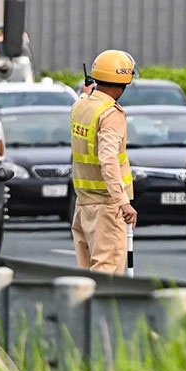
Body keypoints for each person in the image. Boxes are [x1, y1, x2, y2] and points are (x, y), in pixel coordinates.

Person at [70, 49, 138, 274]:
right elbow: (108, 159)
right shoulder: (111, 114)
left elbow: (85, 99)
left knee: (86, 274)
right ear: (123, 83)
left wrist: (85, 93)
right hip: (108, 208)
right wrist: (123, 202)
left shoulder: (81, 105)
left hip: (83, 205)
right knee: (108, 275)